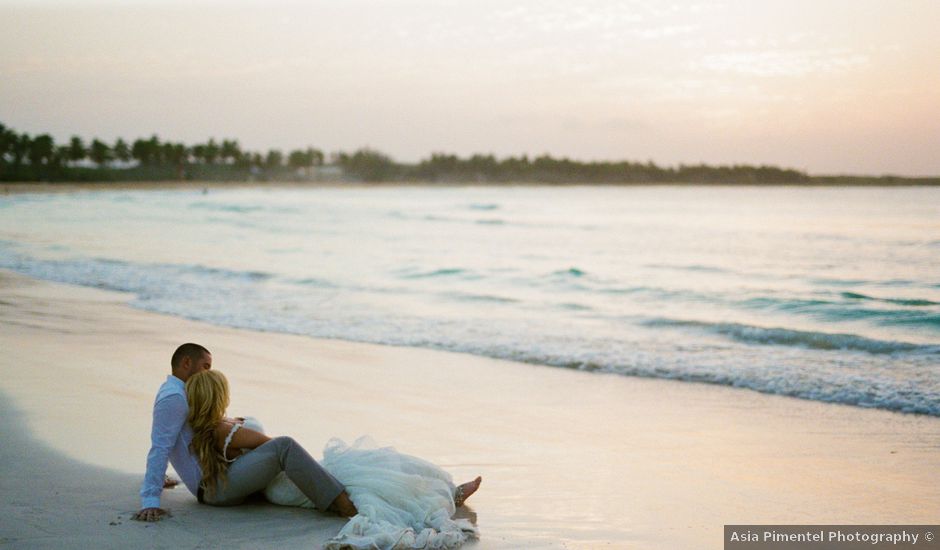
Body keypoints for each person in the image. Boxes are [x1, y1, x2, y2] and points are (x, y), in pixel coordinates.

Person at [186, 369, 482, 548]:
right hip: (283, 486)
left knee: (366, 465)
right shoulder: (227, 430)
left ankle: (447, 492)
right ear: (219, 395)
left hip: (278, 482)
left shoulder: (210, 429)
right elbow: (276, 450)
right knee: (364, 476)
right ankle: (438, 495)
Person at [132, 343, 356, 522]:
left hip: (216, 479)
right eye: (206, 366)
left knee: (253, 430)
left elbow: (188, 435)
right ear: (187, 362)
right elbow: (160, 446)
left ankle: (320, 485)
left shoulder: (178, 391)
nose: (209, 372)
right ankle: (342, 504)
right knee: (284, 446)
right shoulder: (174, 398)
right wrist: (150, 499)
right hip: (213, 490)